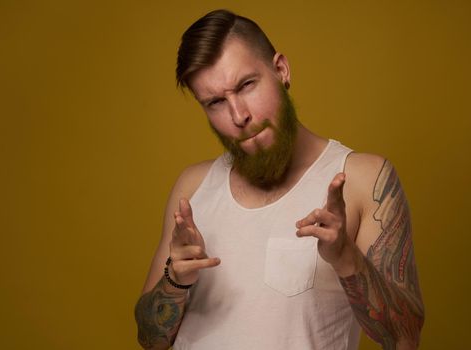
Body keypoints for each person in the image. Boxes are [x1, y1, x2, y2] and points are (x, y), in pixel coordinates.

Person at [134, 9, 424, 350]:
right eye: (215, 102)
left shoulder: (363, 180)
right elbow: (149, 339)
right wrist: (176, 280)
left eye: (246, 85)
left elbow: (406, 337)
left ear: (281, 70)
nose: (238, 115)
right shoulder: (192, 187)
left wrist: (346, 257)